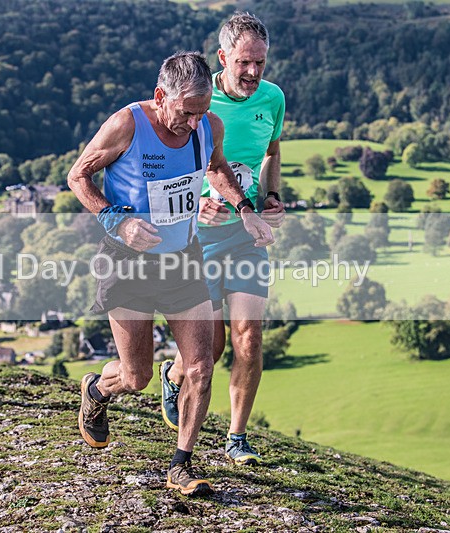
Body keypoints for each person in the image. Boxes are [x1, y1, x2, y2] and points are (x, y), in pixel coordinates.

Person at [67, 51, 273, 496]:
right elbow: (78, 176)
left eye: (202, 112)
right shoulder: (126, 124)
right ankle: (98, 391)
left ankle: (181, 464)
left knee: (200, 366)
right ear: (161, 96)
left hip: (183, 260)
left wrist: (245, 208)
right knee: (136, 376)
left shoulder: (208, 126)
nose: (194, 123)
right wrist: (116, 220)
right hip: (127, 263)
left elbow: (216, 168)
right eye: (186, 113)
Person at [160, 12, 287, 466]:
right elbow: (166, 161)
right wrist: (195, 201)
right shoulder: (197, 98)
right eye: (243, 62)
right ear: (222, 57)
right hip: (196, 239)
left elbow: (271, 152)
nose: (253, 72)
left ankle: (237, 438)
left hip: (245, 234)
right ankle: (173, 375)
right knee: (209, 350)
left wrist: (271, 196)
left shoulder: (273, 98)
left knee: (249, 338)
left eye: (260, 62)